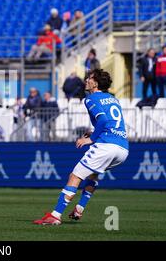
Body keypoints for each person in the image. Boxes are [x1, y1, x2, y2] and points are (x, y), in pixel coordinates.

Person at [34, 69, 128, 225]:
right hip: (123, 148)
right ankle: (79, 208)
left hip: (107, 145)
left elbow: (103, 121)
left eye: (89, 78)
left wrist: (91, 138)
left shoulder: (91, 99)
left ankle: (55, 216)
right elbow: (111, 122)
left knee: (75, 176)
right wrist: (93, 131)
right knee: (93, 175)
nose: (86, 80)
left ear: (96, 83)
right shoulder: (113, 99)